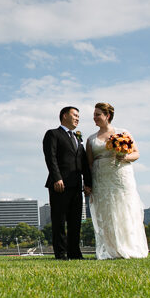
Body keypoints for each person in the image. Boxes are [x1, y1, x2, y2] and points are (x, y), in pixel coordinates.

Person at [85, 102, 149, 259]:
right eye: (94, 114)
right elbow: (89, 164)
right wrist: (88, 183)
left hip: (121, 175)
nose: (94, 117)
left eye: (98, 114)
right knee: (106, 212)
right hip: (101, 178)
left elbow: (136, 154)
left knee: (124, 209)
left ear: (107, 116)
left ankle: (129, 247)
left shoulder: (123, 133)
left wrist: (125, 156)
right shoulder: (91, 139)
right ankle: (111, 249)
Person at [43, 106, 92, 260]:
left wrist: (88, 182)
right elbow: (51, 158)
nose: (77, 118)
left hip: (77, 185)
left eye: (79, 116)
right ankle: (61, 253)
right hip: (60, 184)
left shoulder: (77, 138)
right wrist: (57, 177)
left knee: (75, 222)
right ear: (65, 116)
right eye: (75, 115)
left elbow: (83, 162)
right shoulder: (53, 134)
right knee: (59, 221)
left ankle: (74, 252)